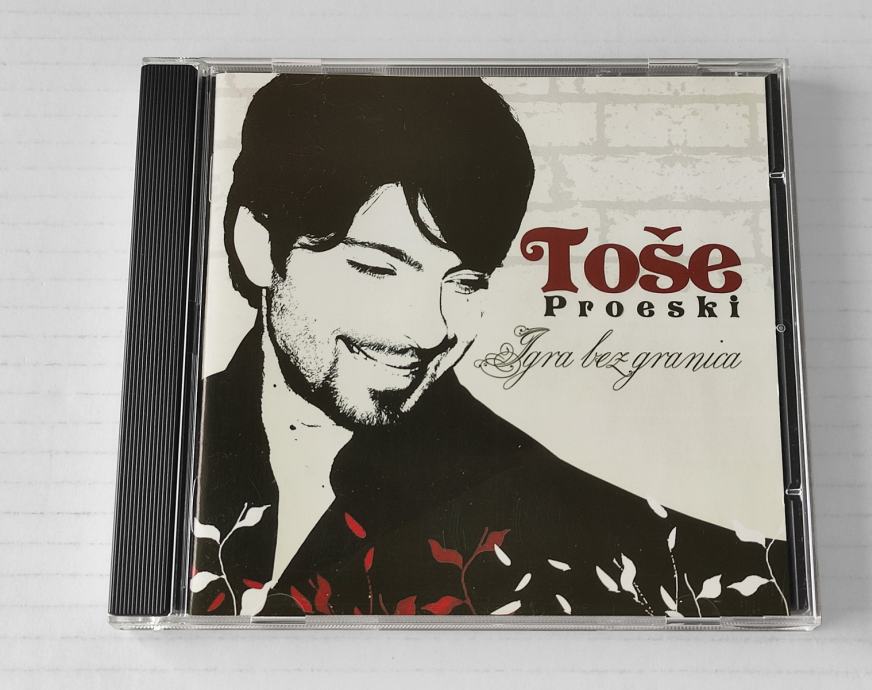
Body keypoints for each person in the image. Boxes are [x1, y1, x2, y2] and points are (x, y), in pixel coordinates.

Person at [189, 74, 791, 618]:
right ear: (258, 248)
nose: (428, 331)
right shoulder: (166, 444)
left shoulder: (584, 530)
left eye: (464, 283)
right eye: (377, 268)